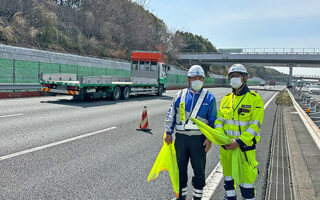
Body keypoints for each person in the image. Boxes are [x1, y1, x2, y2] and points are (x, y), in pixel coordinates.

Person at [164, 65, 217, 200]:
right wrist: (168, 132)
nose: (197, 80)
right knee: (180, 168)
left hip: (199, 140)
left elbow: (213, 120)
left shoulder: (209, 97)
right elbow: (171, 114)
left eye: (200, 78)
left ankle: (197, 196)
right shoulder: (180, 95)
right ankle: (181, 196)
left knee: (199, 169)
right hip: (181, 138)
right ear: (188, 79)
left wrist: (209, 138)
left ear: (204, 80)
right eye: (194, 77)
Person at [214, 64, 264, 200]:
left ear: (245, 78)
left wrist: (239, 141)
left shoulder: (254, 99)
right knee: (228, 181)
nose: (234, 79)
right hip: (226, 148)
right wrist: (222, 138)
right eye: (231, 76)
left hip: (244, 149)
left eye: (237, 76)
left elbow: (255, 125)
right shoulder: (226, 99)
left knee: (246, 183)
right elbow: (218, 121)